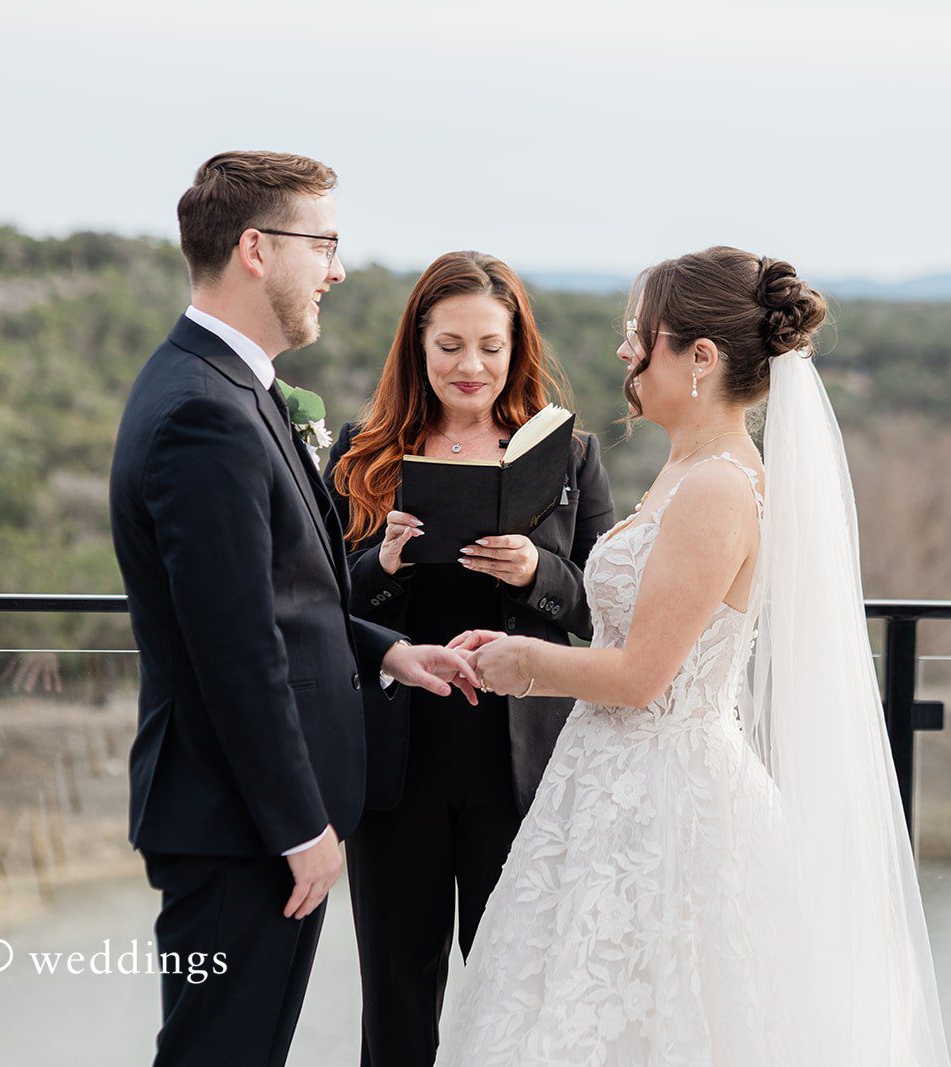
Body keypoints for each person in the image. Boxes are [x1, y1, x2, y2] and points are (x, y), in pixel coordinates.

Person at [437, 248, 951, 1064]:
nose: (624, 353)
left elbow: (644, 677)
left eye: (641, 336)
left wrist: (522, 662)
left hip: (666, 799)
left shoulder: (717, 488)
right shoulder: (681, 469)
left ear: (700, 357)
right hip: (603, 779)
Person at [108, 151, 479, 1067]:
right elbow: (232, 651)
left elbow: (279, 601)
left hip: (248, 821)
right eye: (325, 244)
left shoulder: (235, 388)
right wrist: (299, 827)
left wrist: (387, 650)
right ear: (256, 250)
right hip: (243, 827)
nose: (338, 270)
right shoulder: (207, 412)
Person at [323, 251, 616, 1067]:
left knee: (516, 999)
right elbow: (314, 606)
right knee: (396, 1001)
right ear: (417, 343)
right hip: (398, 766)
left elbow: (605, 607)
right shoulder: (361, 452)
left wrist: (536, 573)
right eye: (450, 344)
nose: (471, 366)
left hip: (520, 769)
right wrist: (380, 567)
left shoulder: (568, 456)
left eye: (490, 345)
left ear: (517, 345)